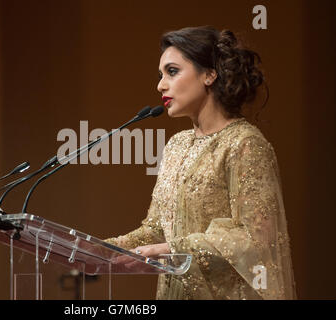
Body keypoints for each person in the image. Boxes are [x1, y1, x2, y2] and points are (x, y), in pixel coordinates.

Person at [105, 26, 296, 300]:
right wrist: (102, 248)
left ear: (209, 74)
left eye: (172, 71)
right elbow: (157, 230)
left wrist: (173, 248)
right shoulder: (176, 146)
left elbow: (257, 240)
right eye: (160, 75)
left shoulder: (244, 144)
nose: (160, 85)